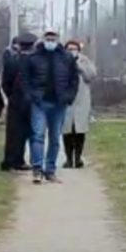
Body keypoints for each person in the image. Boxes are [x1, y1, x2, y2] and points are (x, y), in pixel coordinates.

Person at [22, 30, 79, 184]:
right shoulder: (33, 57)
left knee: (55, 138)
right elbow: (25, 79)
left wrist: (69, 97)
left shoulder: (66, 57)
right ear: (43, 40)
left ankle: (50, 170)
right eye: (48, 39)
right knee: (37, 135)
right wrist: (31, 96)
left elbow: (74, 79)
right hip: (39, 102)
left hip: (59, 103)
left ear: (58, 40)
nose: (50, 41)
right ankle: (37, 169)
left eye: (53, 39)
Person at [0, 33, 37, 172]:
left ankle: (10, 160)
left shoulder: (12, 61)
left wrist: (11, 96)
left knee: (13, 132)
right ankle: (19, 160)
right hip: (30, 101)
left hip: (16, 100)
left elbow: (5, 83)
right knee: (26, 132)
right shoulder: (35, 62)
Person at [62, 40, 96, 169]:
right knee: (67, 130)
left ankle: (78, 158)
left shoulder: (85, 60)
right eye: (69, 49)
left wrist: (80, 66)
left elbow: (91, 76)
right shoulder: (61, 60)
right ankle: (69, 159)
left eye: (74, 49)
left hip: (82, 100)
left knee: (80, 130)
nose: (72, 51)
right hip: (67, 100)